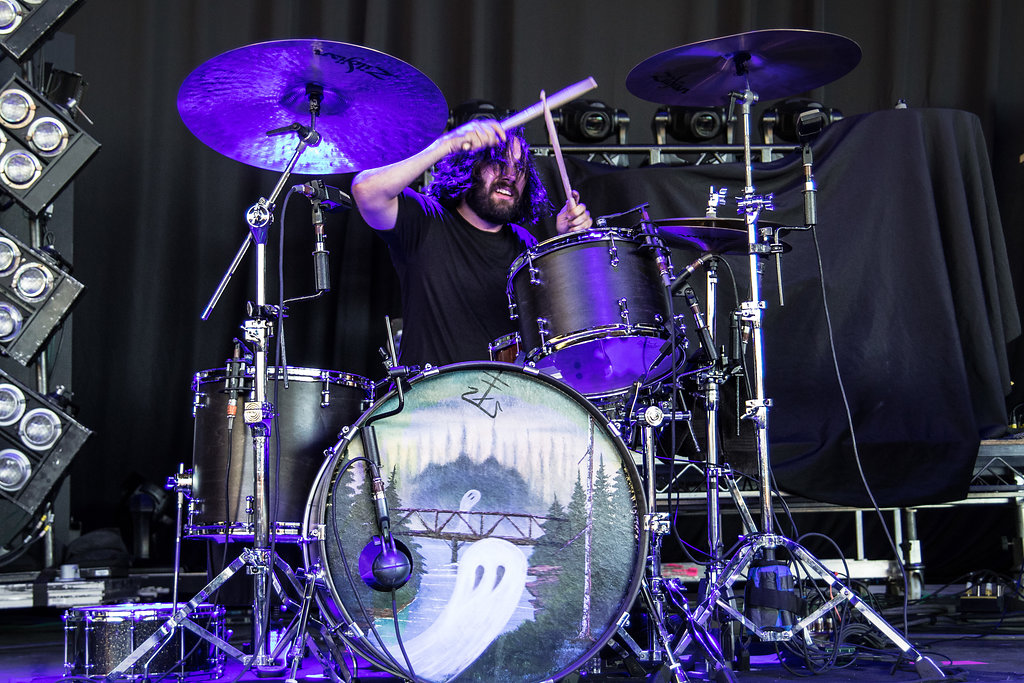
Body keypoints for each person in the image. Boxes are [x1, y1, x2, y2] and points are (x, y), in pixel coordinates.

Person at [351, 118, 592, 368]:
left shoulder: (525, 245)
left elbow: (557, 330)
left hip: (506, 391)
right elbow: (365, 190)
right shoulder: (424, 219)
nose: (510, 175)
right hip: (429, 391)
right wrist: (447, 144)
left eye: (519, 168)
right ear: (469, 165)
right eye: (498, 162)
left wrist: (566, 246)